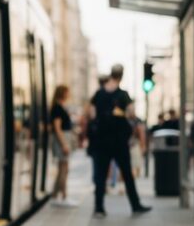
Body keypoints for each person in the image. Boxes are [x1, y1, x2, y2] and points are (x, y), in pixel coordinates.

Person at [89, 64, 152, 217]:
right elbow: (131, 114)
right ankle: (135, 205)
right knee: (127, 174)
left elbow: (91, 115)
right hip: (118, 141)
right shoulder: (123, 95)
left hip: (101, 141)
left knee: (101, 175)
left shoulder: (98, 94)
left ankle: (99, 208)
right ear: (121, 76)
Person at [50, 85, 77, 207]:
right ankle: (64, 196)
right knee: (64, 169)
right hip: (62, 140)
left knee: (63, 168)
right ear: (62, 93)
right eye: (67, 92)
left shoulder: (60, 107)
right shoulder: (57, 108)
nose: (69, 94)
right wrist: (64, 144)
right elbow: (57, 128)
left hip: (64, 139)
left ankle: (55, 196)